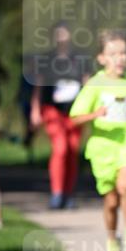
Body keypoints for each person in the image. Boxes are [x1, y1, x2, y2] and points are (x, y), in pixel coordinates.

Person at [69, 31, 126, 251]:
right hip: (103, 147)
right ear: (102, 58)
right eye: (113, 54)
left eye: (123, 53)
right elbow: (74, 119)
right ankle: (112, 244)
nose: (119, 58)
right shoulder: (94, 84)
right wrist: (95, 114)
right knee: (111, 200)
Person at [28, 22, 90, 209]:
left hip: (76, 112)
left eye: (65, 34)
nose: (62, 38)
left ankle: (68, 194)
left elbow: (88, 86)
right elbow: (38, 87)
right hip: (53, 111)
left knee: (72, 151)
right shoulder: (47, 59)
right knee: (60, 149)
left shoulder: (80, 59)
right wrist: (35, 110)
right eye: (58, 35)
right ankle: (56, 192)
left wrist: (91, 109)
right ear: (54, 37)